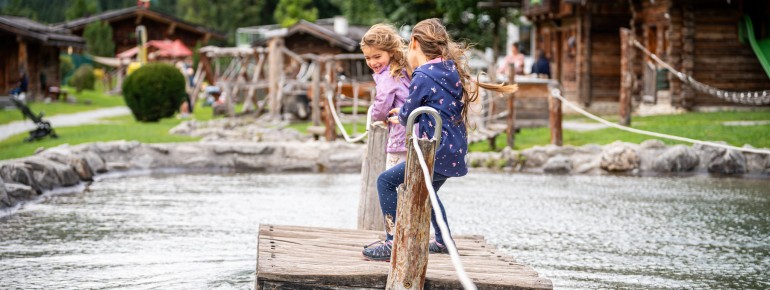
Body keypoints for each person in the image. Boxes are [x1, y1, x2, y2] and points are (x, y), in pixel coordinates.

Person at [362, 18, 517, 261]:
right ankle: (444, 242)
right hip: (455, 151)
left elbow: (409, 110)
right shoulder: (450, 68)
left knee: (385, 182)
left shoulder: (423, 74)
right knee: (427, 194)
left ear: (414, 42)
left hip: (434, 151)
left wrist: (399, 117)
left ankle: (393, 242)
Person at [360, 24, 411, 168]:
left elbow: (383, 101)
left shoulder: (388, 75)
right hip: (415, 132)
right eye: (367, 58)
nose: (372, 62)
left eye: (377, 56)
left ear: (392, 52)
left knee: (391, 180)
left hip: (401, 134)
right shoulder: (403, 70)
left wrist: (378, 117)